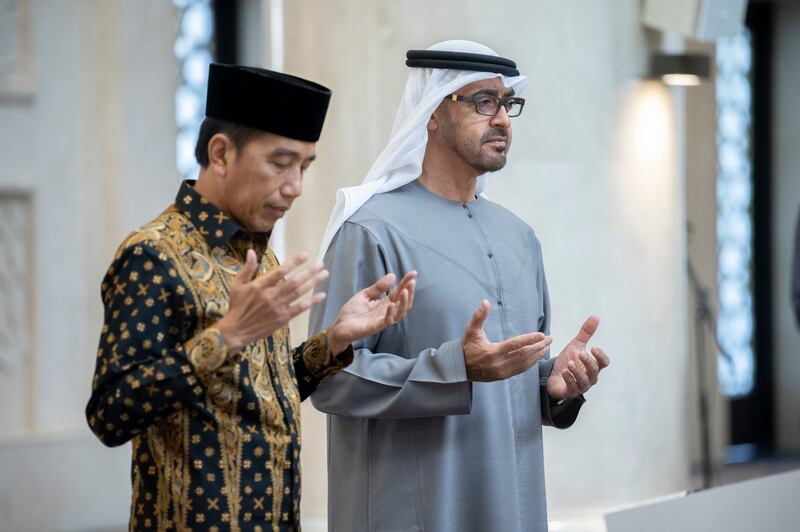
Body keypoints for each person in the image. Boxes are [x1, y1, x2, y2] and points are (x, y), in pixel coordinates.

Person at [86, 63, 416, 531]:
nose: (295, 187)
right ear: (220, 154)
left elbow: (258, 397)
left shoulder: (264, 260)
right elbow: (109, 414)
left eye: (304, 167)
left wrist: (335, 341)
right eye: (281, 163)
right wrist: (227, 335)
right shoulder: (152, 254)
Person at [309, 40, 610, 532]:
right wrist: (454, 369)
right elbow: (330, 378)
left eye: (507, 104)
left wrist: (554, 388)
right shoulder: (370, 231)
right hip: (409, 513)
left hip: (512, 510)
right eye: (483, 102)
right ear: (432, 111)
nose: (503, 120)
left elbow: (513, 380)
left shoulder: (519, 238)